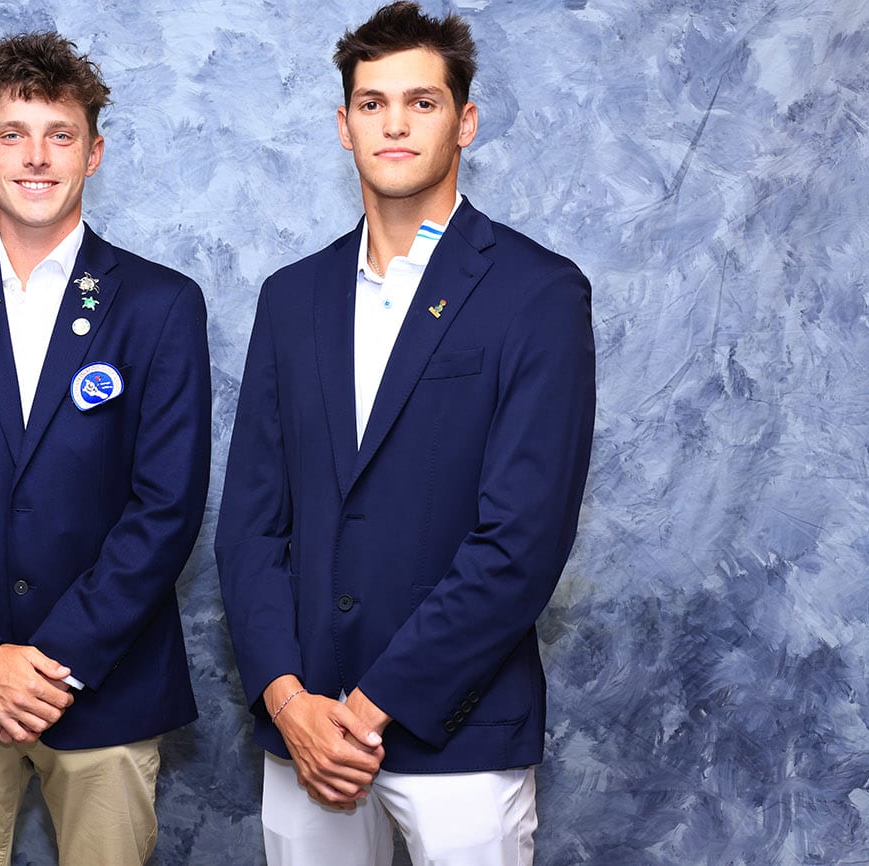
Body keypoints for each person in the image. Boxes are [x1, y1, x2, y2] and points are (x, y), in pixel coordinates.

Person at [216, 3, 596, 864]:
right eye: (372, 103)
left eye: (421, 103)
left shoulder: (538, 294)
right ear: (343, 125)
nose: (394, 123)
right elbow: (250, 527)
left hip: (456, 733)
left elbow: (523, 541)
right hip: (304, 732)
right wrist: (288, 701)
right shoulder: (291, 298)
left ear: (464, 121)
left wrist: (372, 703)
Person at [0, 31, 210, 866]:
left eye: (60, 135)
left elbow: (166, 509)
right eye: (12, 134)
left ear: (94, 153)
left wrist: (49, 667)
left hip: (106, 688)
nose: (36, 157)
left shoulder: (161, 306)